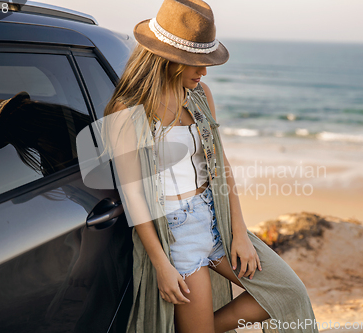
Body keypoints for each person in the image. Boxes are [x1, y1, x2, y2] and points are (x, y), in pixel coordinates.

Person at [102, 1, 320, 332]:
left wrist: (240, 233)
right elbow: (133, 196)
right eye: (197, 63)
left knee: (288, 292)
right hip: (177, 233)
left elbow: (222, 167)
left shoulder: (201, 95)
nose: (204, 72)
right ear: (170, 59)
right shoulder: (128, 110)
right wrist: (161, 264)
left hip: (216, 217)